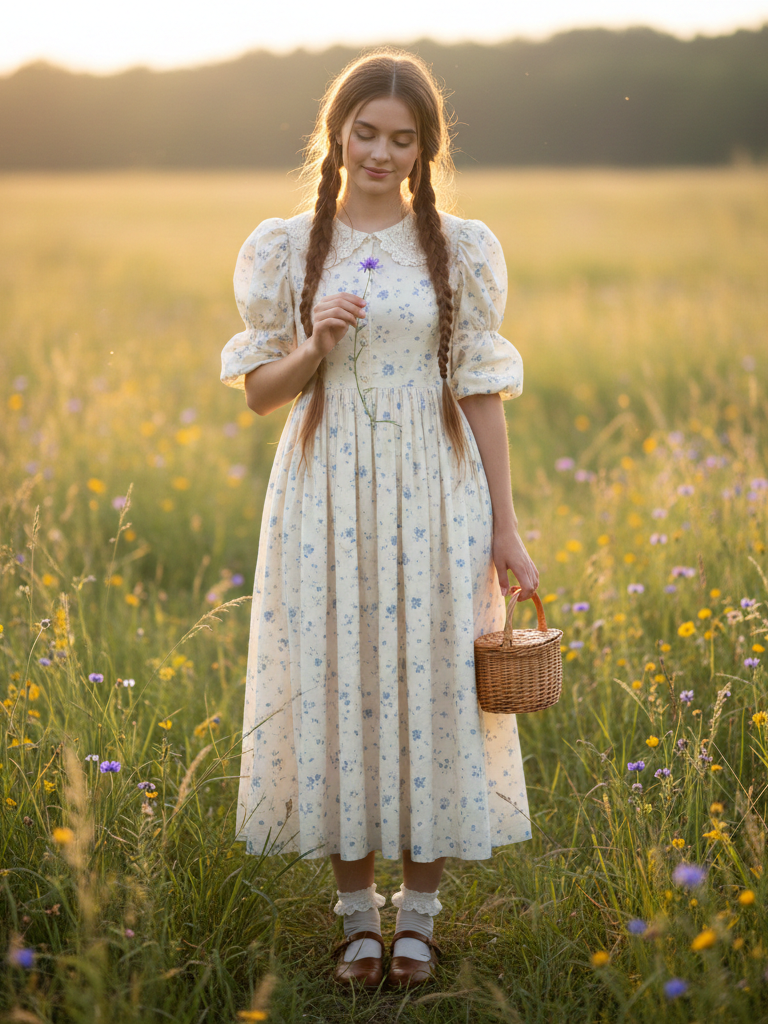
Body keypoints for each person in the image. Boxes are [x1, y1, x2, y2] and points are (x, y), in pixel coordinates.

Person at [220, 48, 539, 989]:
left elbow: (481, 391)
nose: (383, 152)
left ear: (425, 148)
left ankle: (420, 918)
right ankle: (357, 915)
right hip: (326, 492)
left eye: (404, 139)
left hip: (437, 493)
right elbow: (259, 397)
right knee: (340, 681)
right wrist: (316, 338)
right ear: (338, 132)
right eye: (367, 133)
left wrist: (506, 527)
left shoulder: (461, 248)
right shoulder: (287, 245)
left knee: (437, 681)